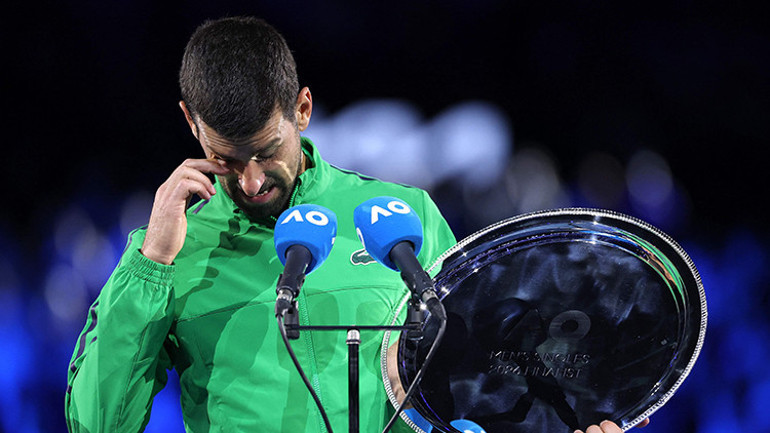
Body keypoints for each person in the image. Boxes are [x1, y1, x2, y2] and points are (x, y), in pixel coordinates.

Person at [65, 16, 650, 433]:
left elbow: (476, 389)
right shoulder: (167, 254)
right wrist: (150, 267)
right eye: (226, 157)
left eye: (266, 151)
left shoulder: (405, 217)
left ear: (302, 108)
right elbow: (95, 423)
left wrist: (568, 418)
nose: (249, 181)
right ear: (191, 123)